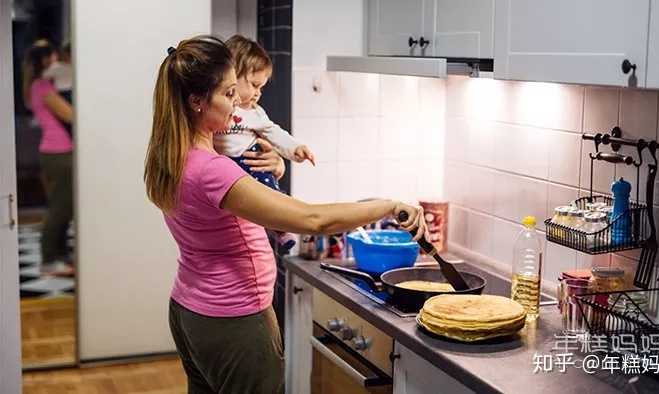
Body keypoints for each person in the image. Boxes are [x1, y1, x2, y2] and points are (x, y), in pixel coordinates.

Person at [144, 35, 427, 394]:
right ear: (197, 101)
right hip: (234, 317)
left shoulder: (171, 156)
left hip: (189, 308)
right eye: (228, 94)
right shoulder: (212, 170)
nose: (237, 108)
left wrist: (276, 164)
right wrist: (388, 205)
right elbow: (312, 219)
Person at [214, 34, 315, 253]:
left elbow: (274, 133)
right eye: (253, 85)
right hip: (227, 168)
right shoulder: (218, 110)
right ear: (231, 75)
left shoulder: (255, 114)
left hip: (248, 161)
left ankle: (281, 228)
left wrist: (293, 150)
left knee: (271, 190)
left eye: (261, 87)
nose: (258, 93)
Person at [24, 40, 74, 276]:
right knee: (60, 207)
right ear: (45, 60)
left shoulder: (36, 85)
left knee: (64, 206)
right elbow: (70, 114)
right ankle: (49, 259)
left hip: (57, 151)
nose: (58, 61)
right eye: (53, 57)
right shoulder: (43, 86)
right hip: (59, 152)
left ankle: (60, 255)